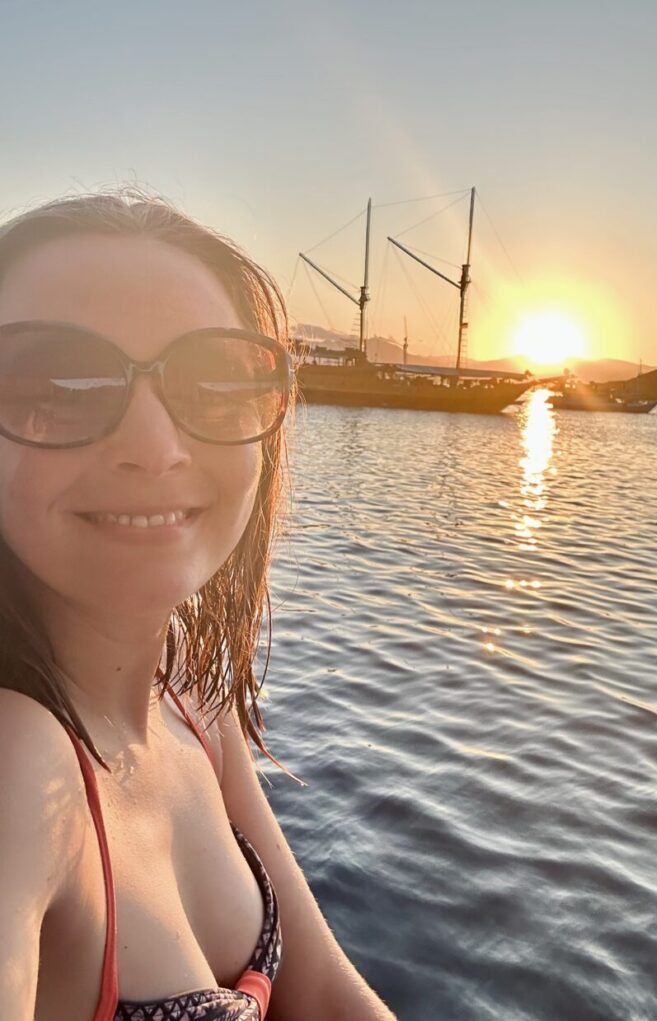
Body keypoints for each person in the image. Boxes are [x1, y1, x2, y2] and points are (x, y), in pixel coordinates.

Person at [0, 192, 397, 1021]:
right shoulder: (17, 761)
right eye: (56, 383)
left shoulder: (193, 701)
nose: (155, 446)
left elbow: (323, 995)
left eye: (216, 381)